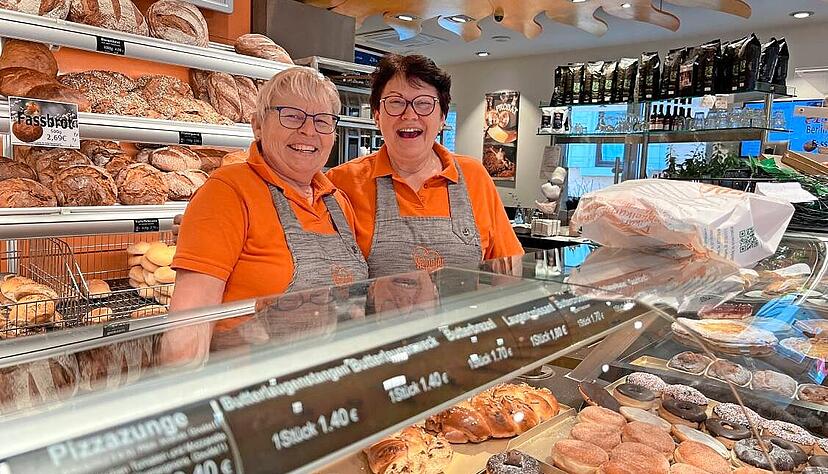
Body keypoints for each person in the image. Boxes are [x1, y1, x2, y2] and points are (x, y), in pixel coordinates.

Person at [161, 67, 368, 362]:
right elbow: (189, 324)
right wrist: (185, 402)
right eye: (292, 115)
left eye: (322, 120)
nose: (308, 131)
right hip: (251, 388)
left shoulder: (337, 201)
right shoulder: (227, 192)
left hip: (330, 382)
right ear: (257, 125)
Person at [326, 54, 523, 278]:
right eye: (396, 102)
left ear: (442, 118)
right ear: (377, 116)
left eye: (423, 104)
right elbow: (332, 278)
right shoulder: (341, 182)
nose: (409, 115)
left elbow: (509, 272)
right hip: (380, 314)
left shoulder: (474, 176)